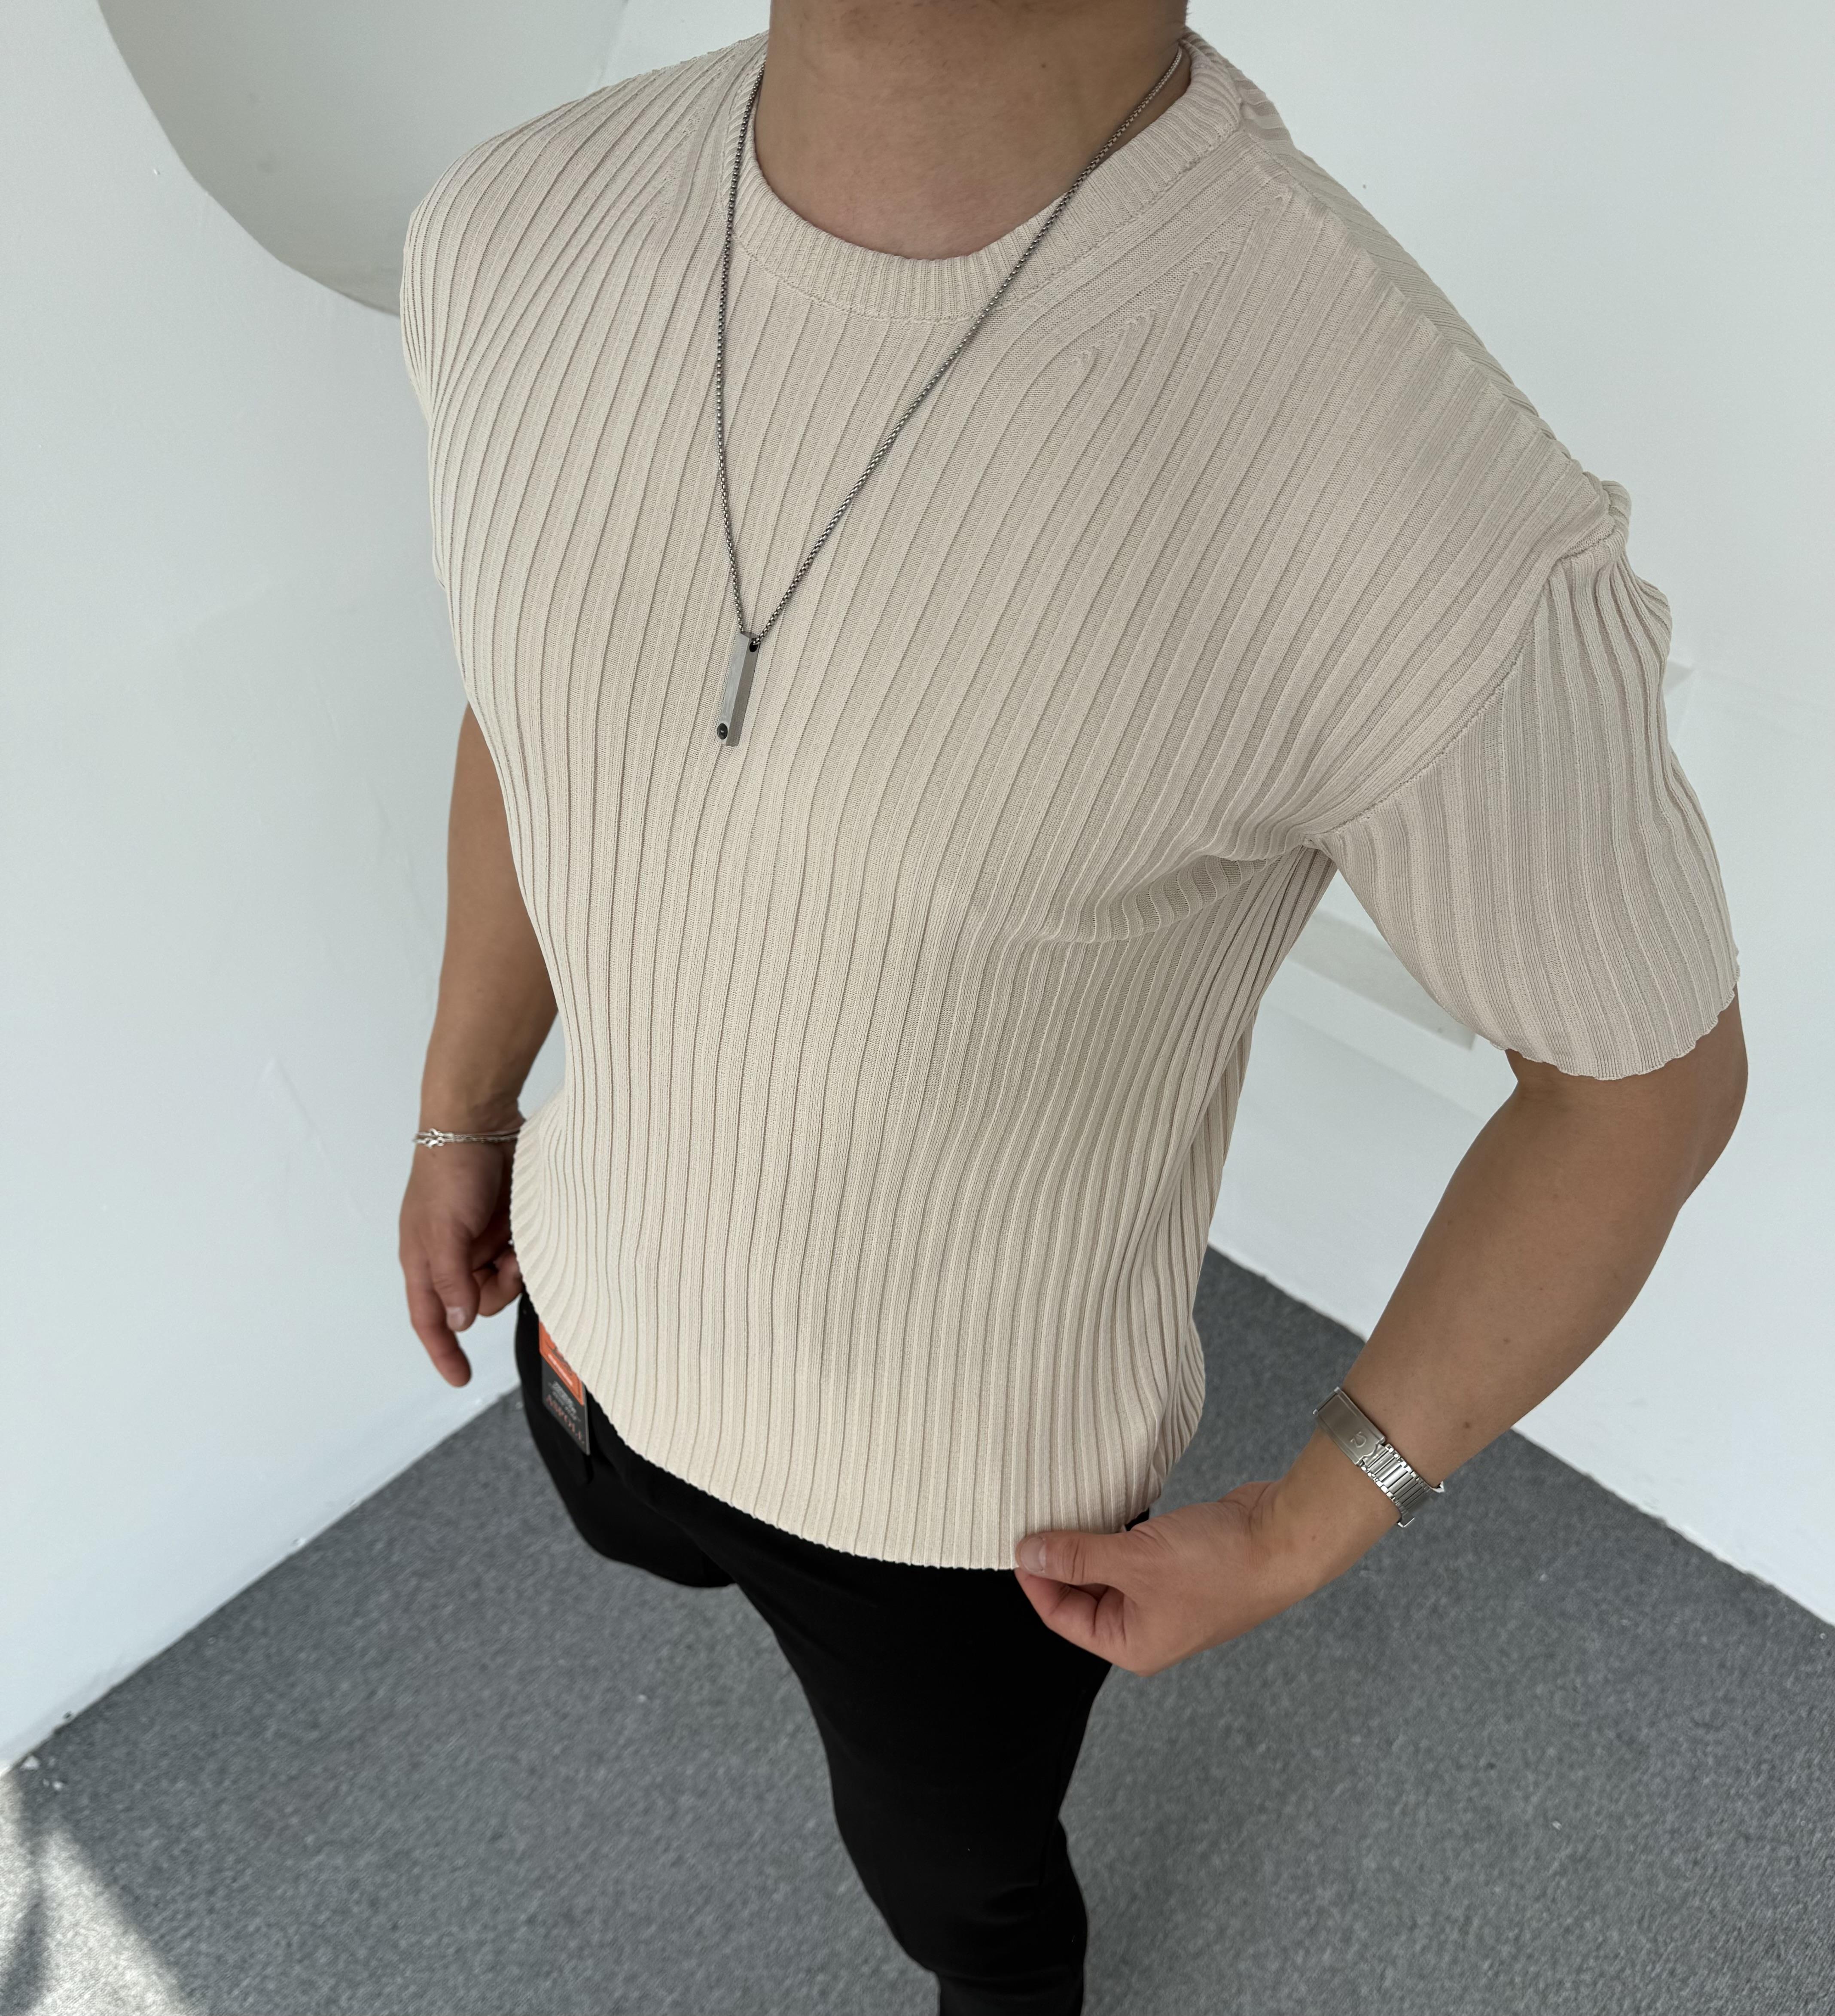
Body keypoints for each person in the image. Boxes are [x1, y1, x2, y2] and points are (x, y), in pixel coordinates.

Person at [394, 4, 1746, 2010]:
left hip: (956, 1521)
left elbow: (1643, 1088)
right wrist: (465, 1100)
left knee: (968, 1900)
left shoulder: (1417, 499)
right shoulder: (507, 230)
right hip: (579, 1321)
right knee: (643, 1542)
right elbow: (535, 704)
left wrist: (1309, 1522)